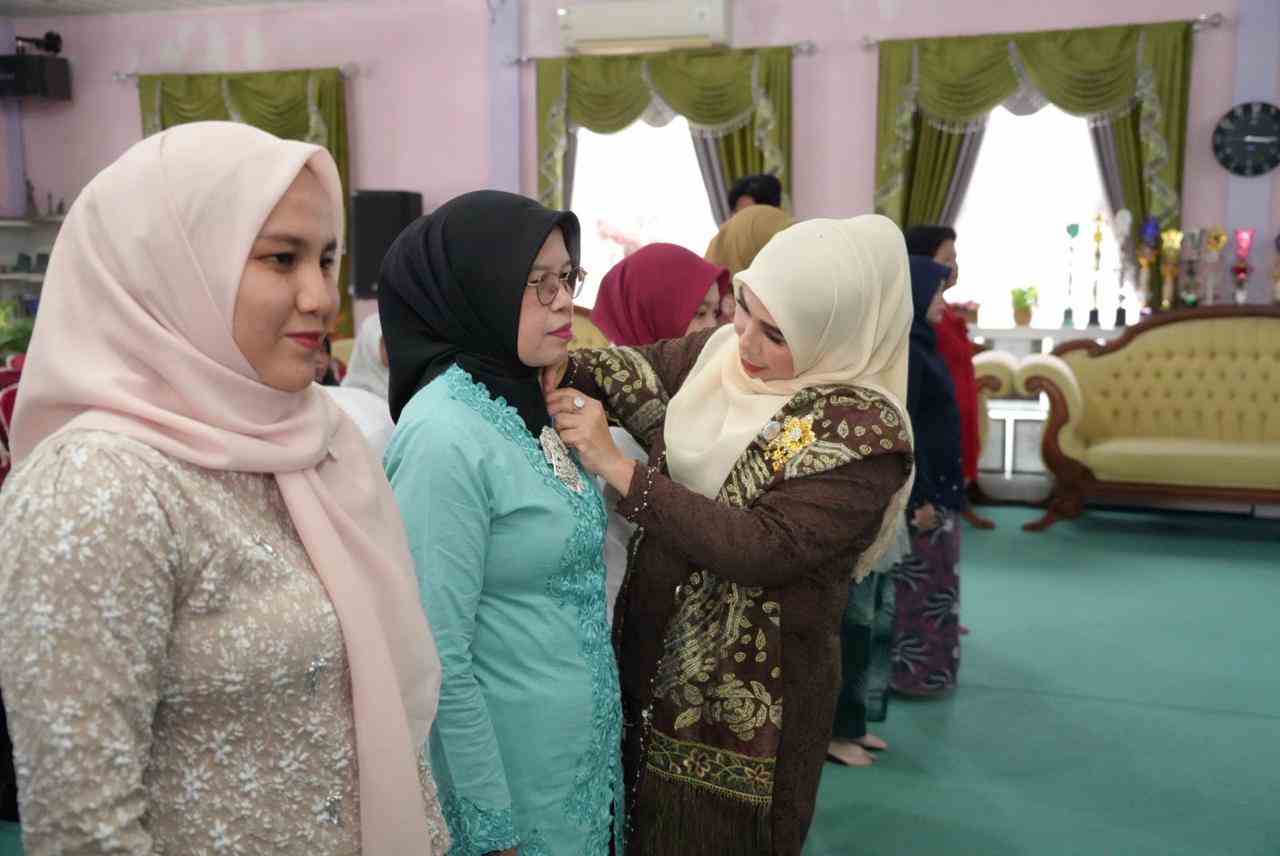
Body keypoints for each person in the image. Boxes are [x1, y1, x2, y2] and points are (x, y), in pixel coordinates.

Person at [0, 122, 447, 855]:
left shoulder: (318, 442)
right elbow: (84, 827)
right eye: (281, 258)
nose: (321, 298)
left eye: (326, 259)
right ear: (173, 266)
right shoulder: (98, 488)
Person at [545, 215, 915, 855]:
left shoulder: (861, 433)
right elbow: (625, 369)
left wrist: (620, 469)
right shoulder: (717, 355)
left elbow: (762, 547)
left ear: (834, 336)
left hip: (755, 711)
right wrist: (551, 366)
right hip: (646, 655)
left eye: (777, 334)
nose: (747, 343)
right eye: (744, 309)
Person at [379, 190, 623, 855]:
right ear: (476, 290)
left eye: (567, 277)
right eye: (536, 283)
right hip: (510, 791)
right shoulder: (443, 436)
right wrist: (490, 829)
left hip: (574, 770)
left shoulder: (533, 401)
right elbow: (436, 654)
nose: (562, 302)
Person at [590, 243, 732, 619]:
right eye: (698, 313)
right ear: (651, 312)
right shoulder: (609, 427)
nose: (713, 328)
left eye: (716, 312)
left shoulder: (694, 400)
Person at [891, 255, 967, 698]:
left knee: (939, 582)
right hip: (927, 495)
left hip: (941, 488)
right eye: (936, 292)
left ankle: (933, 674)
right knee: (922, 588)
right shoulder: (912, 354)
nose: (943, 301)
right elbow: (909, 431)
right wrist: (919, 497)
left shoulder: (926, 345)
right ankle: (915, 677)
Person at [904, 224, 995, 531]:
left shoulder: (942, 317)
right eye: (946, 259)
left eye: (955, 258)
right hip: (931, 446)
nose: (954, 266)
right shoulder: (920, 329)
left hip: (950, 429)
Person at [324, 313, 394, 457]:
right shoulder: (346, 401)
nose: (396, 348)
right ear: (369, 345)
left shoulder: (410, 387)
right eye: (386, 343)